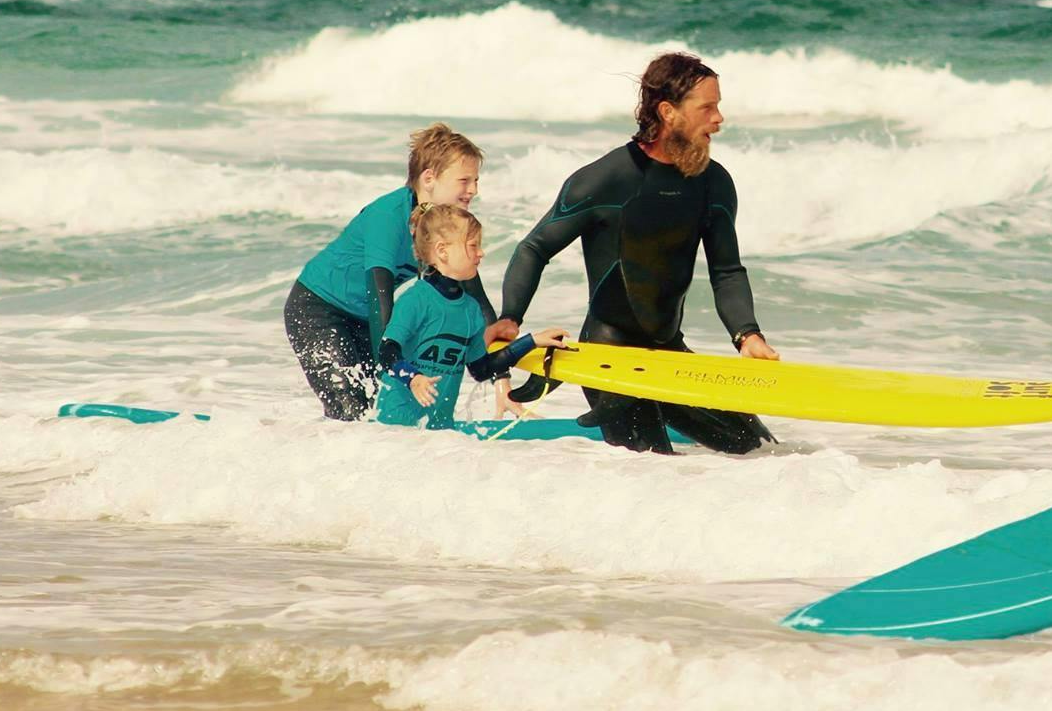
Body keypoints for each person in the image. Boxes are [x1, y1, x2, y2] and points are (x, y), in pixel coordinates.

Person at [498, 52, 779, 454]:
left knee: (757, 448)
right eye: (708, 107)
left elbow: (727, 271)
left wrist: (747, 335)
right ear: (669, 112)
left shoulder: (713, 183)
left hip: (668, 353)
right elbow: (535, 247)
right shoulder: (606, 179)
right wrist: (511, 317)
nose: (719, 119)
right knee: (656, 470)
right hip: (608, 360)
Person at [284, 124, 519, 420]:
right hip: (318, 310)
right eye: (464, 180)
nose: (473, 190)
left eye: (475, 180)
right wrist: (399, 368)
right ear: (429, 178)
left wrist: (502, 381)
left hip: (365, 318)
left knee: (377, 413)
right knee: (352, 412)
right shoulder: (388, 216)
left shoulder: (445, 225)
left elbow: (478, 305)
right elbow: (380, 298)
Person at [372, 204, 569, 428]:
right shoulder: (415, 300)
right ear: (442, 251)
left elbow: (482, 369)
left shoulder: (471, 309)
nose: (481, 253)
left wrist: (532, 341)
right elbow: (387, 352)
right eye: (473, 245)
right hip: (393, 431)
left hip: (439, 433)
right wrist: (413, 379)